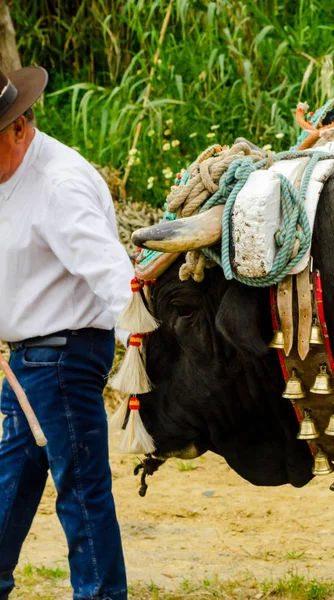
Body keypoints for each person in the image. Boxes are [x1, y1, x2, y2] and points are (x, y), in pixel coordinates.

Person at [0, 66, 134, 600]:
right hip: (26, 361)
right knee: (8, 486)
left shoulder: (59, 184)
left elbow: (112, 273)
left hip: (64, 358)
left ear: (18, 127)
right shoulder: (12, 172)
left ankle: (102, 596)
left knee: (80, 494)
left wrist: (143, 356)